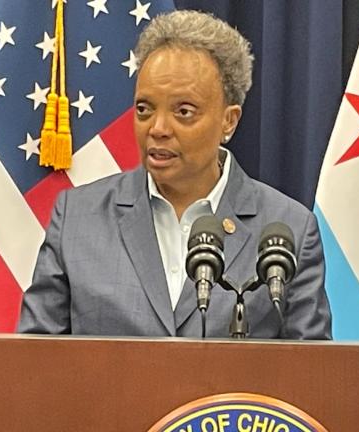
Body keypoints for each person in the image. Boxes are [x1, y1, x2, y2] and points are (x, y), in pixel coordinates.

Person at [18, 10, 331, 339]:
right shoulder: (78, 219)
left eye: (183, 111)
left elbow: (311, 376)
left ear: (229, 121)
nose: (158, 128)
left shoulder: (287, 229)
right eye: (144, 109)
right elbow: (31, 365)